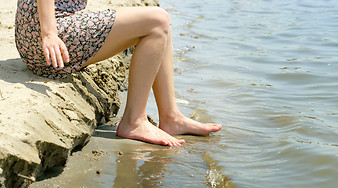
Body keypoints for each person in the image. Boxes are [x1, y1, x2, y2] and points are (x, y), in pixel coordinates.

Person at [15, 0, 222, 146]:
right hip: (48, 38)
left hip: (43, 35)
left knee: (160, 21)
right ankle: (134, 121)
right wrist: (49, 33)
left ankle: (171, 117)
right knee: (157, 20)